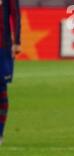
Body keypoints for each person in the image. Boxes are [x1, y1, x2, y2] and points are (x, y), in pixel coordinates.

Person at [0, 0, 21, 145]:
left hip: (2, 48)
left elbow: (15, 14)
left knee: (1, 90)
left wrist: (17, 41)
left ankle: (0, 133)